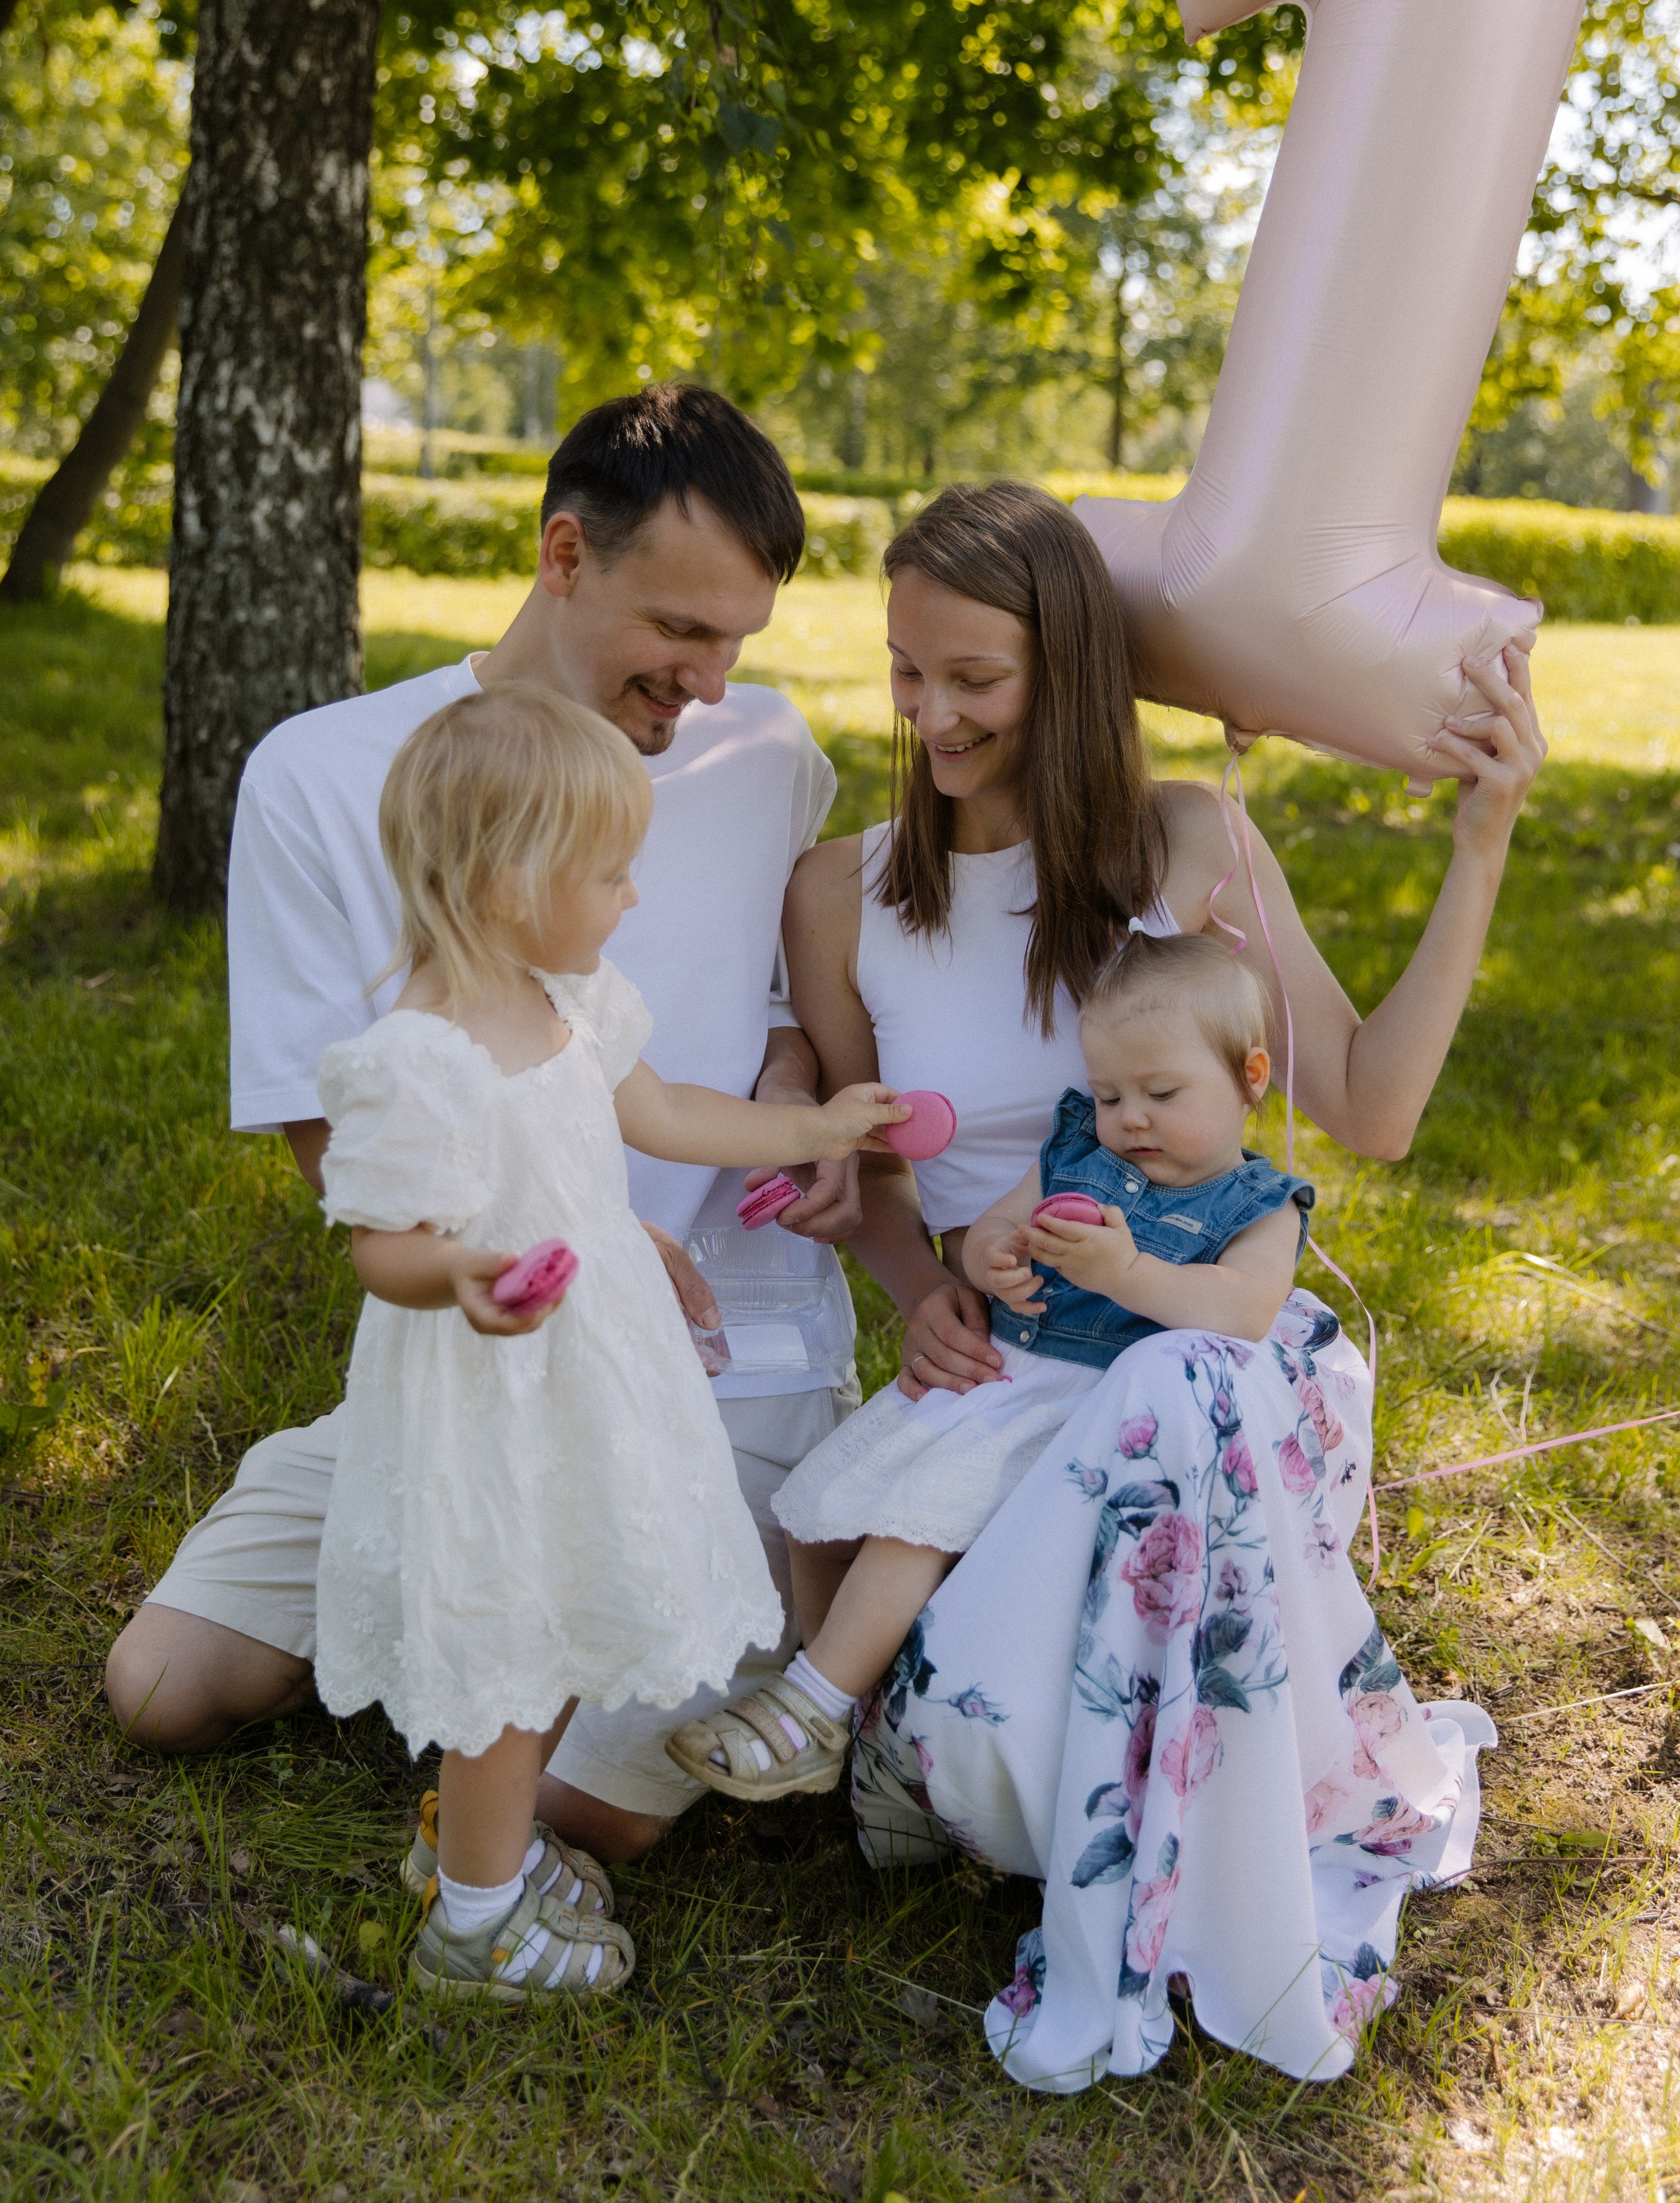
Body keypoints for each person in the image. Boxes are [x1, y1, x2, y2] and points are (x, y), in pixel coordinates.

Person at [739, 479, 1538, 2082]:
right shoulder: (841, 891)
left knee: (1174, 1385)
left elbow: (1369, 1105)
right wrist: (924, 1293)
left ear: (1071, 669)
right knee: (944, 1676)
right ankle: (929, 1750)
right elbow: (873, 1165)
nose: (930, 713)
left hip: (1197, 1357)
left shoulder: (1181, 848)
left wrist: (1481, 841)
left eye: (974, 676)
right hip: (1007, 1360)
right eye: (906, 669)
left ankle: (1064, 1806)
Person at [105, 383, 862, 1868]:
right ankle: (433, 1578)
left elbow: (780, 1003)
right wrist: (580, 1227)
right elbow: (336, 1142)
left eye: (737, 643)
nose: (708, 682)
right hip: (480, 1361)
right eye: (680, 633)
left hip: (718, 1379)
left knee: (589, 1812)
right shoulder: (327, 775)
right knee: (163, 1693)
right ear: (564, 556)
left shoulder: (768, 756)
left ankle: (514, 1693)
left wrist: (795, 1094)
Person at [312, 683, 900, 1998]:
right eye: (610, 872)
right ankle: (476, 1928)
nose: (632, 897)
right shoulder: (419, 1054)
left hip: (594, 1375)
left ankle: (478, 1855)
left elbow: (664, 1112)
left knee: (571, 1622)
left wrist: (812, 1129)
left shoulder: (568, 996)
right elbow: (380, 1244)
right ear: (509, 880)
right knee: (509, 1656)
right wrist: (462, 1274)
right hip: (493, 1393)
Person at [665, 931, 1312, 1799]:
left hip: (1088, 1409)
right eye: (1112, 1092)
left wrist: (1128, 1274)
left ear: (1251, 1077)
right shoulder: (1083, 1152)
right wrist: (998, 1261)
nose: (1132, 1118)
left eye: (1162, 1093)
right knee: (819, 1518)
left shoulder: (1260, 1204)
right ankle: (856, 1728)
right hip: (1000, 1372)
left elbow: (1246, 1307)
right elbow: (996, 1233)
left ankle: (808, 1704)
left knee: (910, 1526)